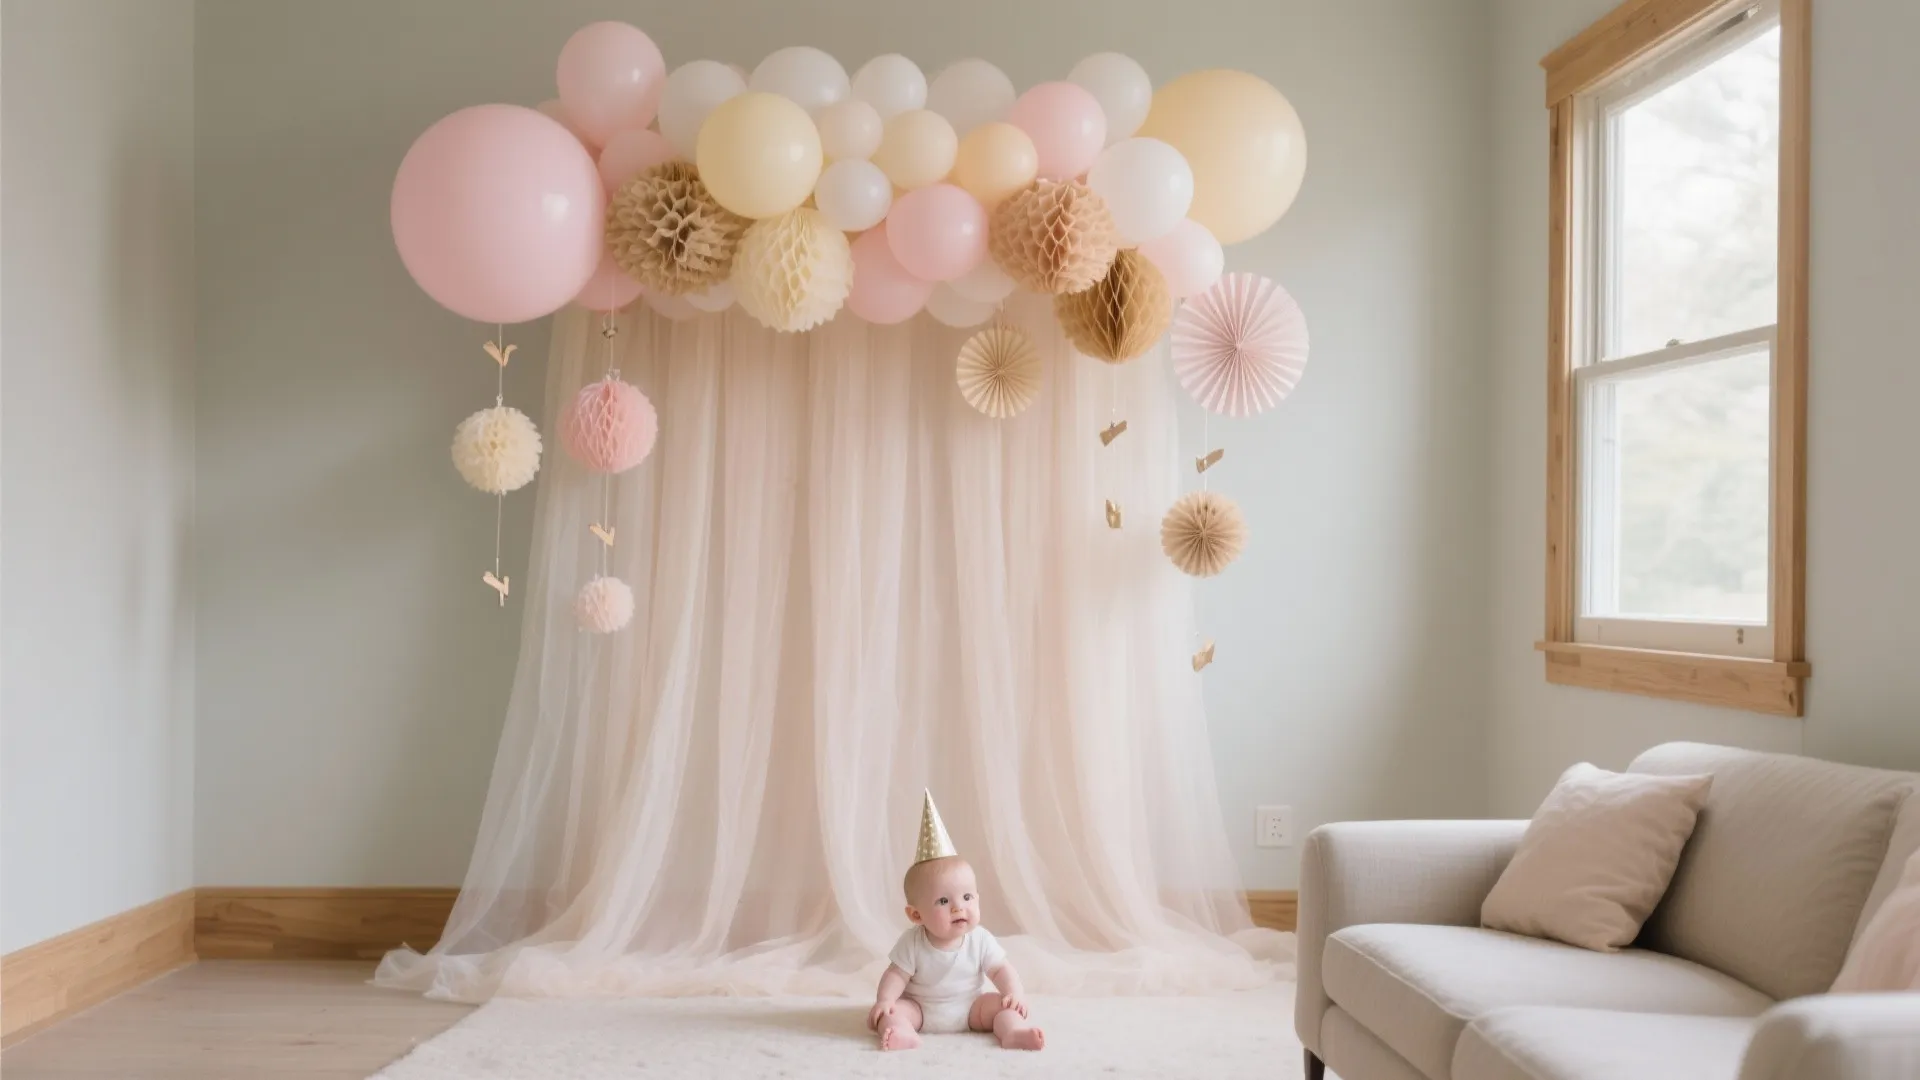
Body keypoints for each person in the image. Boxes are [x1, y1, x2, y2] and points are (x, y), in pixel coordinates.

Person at [866, 792, 1045, 1052]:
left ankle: (1014, 1033)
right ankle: (902, 1033)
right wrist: (885, 1000)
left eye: (967, 897)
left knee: (1002, 1007)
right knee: (892, 1013)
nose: (959, 907)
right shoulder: (913, 942)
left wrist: (1014, 994)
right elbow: (896, 974)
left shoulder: (980, 939)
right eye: (943, 901)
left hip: (971, 1007)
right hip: (920, 1008)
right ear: (916, 915)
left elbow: (1001, 970)